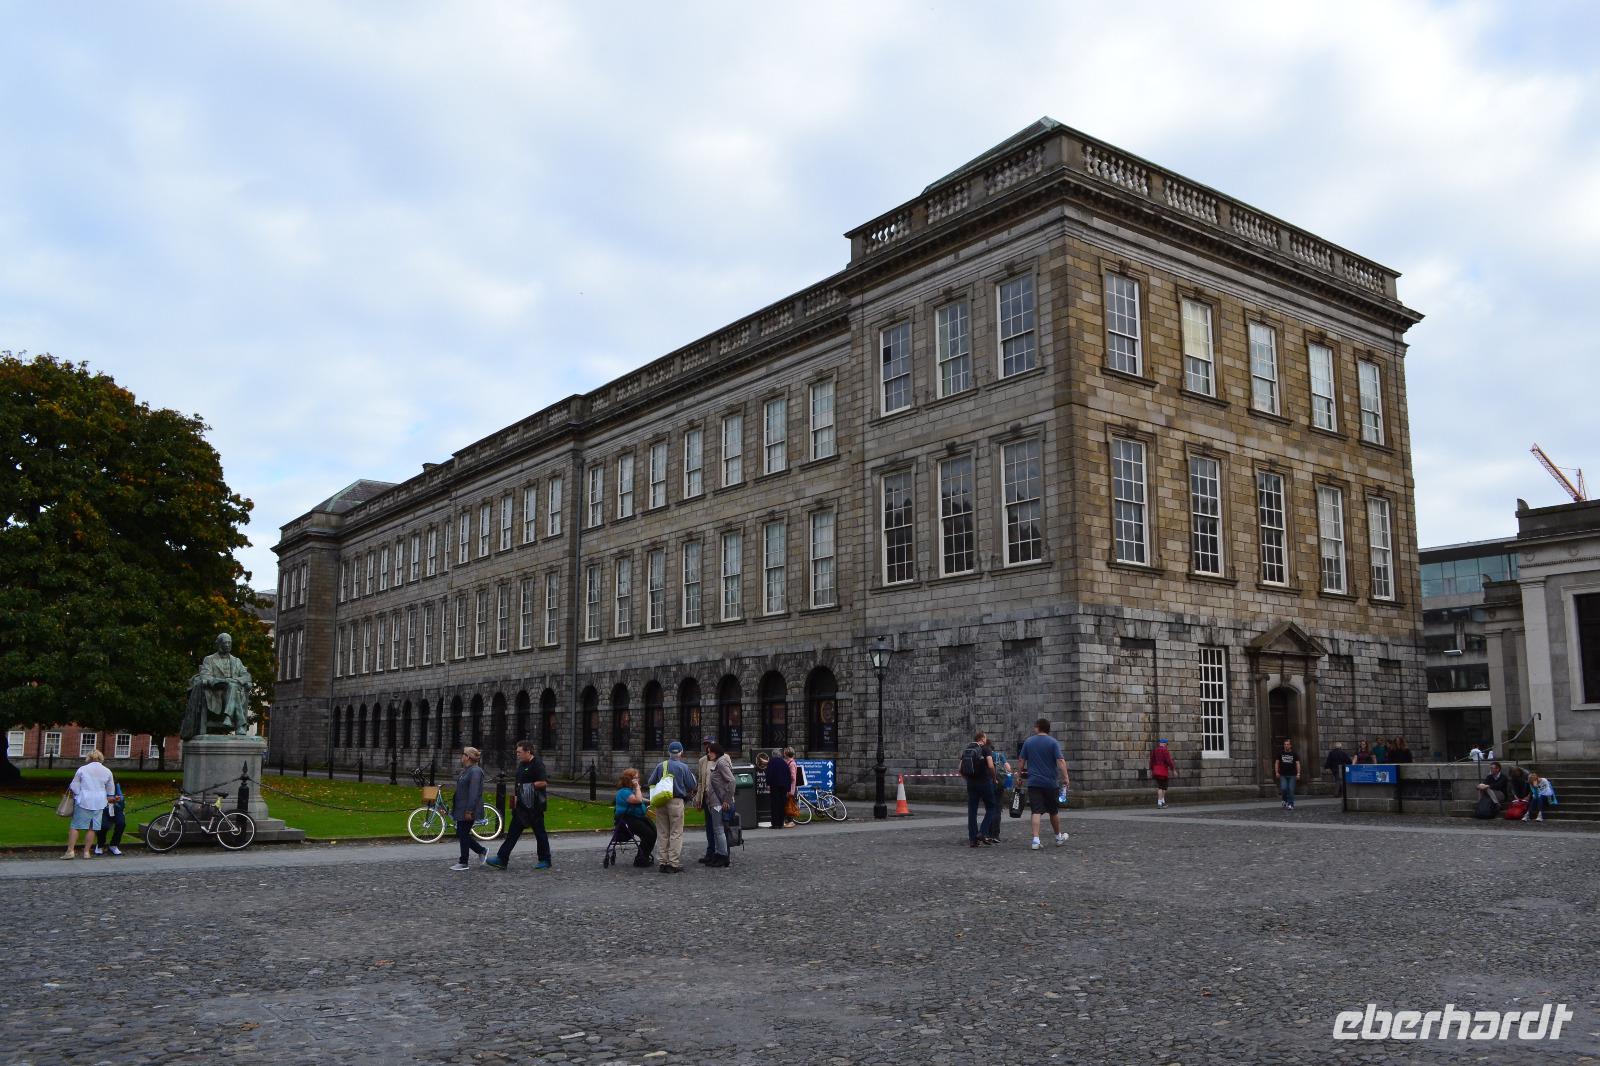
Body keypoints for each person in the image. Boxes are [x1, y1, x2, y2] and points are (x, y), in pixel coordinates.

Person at [487, 741, 551, 872]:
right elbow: (518, 783)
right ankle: (502, 859)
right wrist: (515, 798)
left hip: (534, 806)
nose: (517, 755)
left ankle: (545, 859)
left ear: (528, 752)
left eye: (519, 752)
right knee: (512, 833)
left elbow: (543, 782)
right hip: (522, 806)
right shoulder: (522, 765)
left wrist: (529, 786)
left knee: (540, 833)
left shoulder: (537, 764)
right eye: (517, 752)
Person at [1018, 718, 1070, 850]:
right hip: (1050, 782)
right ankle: (1058, 837)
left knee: (1036, 811)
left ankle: (1035, 840)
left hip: (1034, 782)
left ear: (1038, 727)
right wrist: (1065, 777)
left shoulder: (1029, 742)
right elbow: (1061, 761)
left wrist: (1019, 775)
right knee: (1053, 811)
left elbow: (1021, 760)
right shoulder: (1053, 742)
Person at [647, 740, 697, 873]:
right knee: (676, 832)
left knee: (663, 832)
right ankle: (673, 863)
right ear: (681, 752)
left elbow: (650, 781)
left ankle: (662, 862)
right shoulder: (683, 767)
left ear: (669, 752)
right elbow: (692, 785)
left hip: (661, 801)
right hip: (676, 801)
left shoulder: (660, 766)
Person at [63, 750, 114, 860]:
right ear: (101, 758)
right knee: (92, 828)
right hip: (99, 801)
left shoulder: (82, 769)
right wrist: (109, 796)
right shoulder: (107, 771)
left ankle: (70, 850)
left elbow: (74, 785)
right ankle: (86, 852)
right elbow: (110, 788)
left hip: (84, 799)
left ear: (89, 758)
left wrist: (78, 794)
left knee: (75, 826)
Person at [448, 747, 487, 872]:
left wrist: (469, 810)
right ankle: (481, 850)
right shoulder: (466, 771)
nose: (461, 756)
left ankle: (464, 861)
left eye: (463, 754)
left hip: (468, 808)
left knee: (463, 833)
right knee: (461, 833)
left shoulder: (475, 771)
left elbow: (474, 792)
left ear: (468, 757)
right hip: (461, 808)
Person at [700, 742, 736, 867]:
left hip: (718, 802)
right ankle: (719, 854)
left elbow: (731, 781)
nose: (708, 754)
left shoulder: (721, 762)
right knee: (717, 830)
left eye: (710, 751)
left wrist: (727, 800)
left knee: (719, 830)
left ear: (716, 752)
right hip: (714, 801)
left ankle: (723, 855)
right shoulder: (717, 762)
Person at [961, 730, 998, 847]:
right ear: (982, 739)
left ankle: (973, 839)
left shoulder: (967, 750)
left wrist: (968, 779)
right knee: (991, 807)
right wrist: (994, 778)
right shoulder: (985, 749)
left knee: (972, 811)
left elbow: (960, 768)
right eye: (985, 738)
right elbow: (991, 765)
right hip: (984, 782)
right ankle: (982, 832)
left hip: (971, 783)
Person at [614, 768, 658, 867]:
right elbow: (637, 800)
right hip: (628, 819)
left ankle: (643, 856)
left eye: (638, 778)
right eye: (636, 778)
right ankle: (641, 859)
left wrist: (652, 801)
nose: (638, 780)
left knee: (653, 832)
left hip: (638, 817)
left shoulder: (630, 791)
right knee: (648, 834)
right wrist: (638, 787)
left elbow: (641, 799)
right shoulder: (623, 792)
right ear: (629, 779)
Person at [92, 778, 127, 856]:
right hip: (103, 808)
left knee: (121, 823)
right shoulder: (98, 784)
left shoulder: (116, 784)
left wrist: (119, 798)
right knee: (103, 826)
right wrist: (106, 799)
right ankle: (100, 844)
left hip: (116, 807)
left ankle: (114, 845)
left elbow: (121, 796)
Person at [764, 747, 792, 831]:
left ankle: (775, 824)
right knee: (782, 805)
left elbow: (769, 774)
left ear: (773, 755)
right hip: (783, 787)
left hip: (774, 786)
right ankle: (780, 823)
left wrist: (768, 783)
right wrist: (788, 788)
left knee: (774, 805)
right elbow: (788, 776)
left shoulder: (771, 762)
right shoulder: (784, 763)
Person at [1149, 738, 1175, 809]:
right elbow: (1169, 761)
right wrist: (1173, 769)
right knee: (1162, 787)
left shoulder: (1155, 750)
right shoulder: (1165, 751)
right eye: (1166, 744)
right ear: (1164, 744)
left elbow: (1152, 760)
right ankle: (1160, 802)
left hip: (1156, 771)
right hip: (1163, 771)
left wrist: (1152, 768)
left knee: (1161, 786)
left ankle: (1162, 802)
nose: (1167, 746)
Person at [1275, 739, 1300, 811]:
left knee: (1291, 790)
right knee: (1284, 788)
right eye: (1285, 744)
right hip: (1283, 775)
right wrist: (1277, 772)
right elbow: (1277, 763)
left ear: (1290, 745)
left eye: (1287, 744)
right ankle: (1284, 800)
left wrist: (1298, 773)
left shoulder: (1294, 754)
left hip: (1292, 775)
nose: (1286, 746)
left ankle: (1290, 804)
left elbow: (1297, 763)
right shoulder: (1280, 753)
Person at [783, 747, 803, 828]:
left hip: (791, 788)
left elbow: (793, 777)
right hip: (789, 787)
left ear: (787, 754)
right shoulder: (789, 762)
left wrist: (791, 791)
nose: (783, 754)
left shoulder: (792, 764)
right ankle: (788, 821)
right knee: (787, 804)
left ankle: (791, 821)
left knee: (790, 805)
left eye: (784, 753)